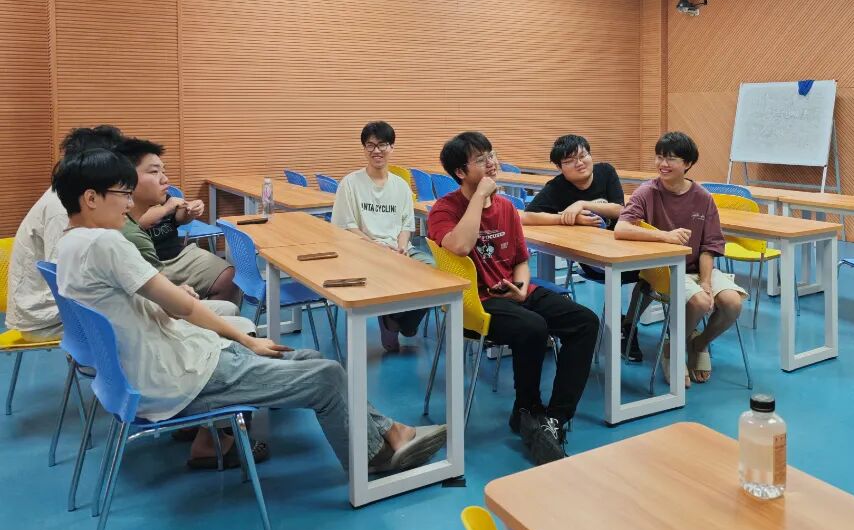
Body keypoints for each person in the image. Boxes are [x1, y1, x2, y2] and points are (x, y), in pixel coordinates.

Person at [53, 148, 447, 476]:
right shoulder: (107, 244)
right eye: (122, 194)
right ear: (91, 198)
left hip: (158, 368)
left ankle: (391, 432)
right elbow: (183, 306)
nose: (128, 204)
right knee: (327, 376)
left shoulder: (70, 244)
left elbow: (151, 301)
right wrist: (245, 339)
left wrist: (201, 317)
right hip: (178, 378)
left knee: (305, 356)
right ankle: (374, 459)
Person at [427, 131, 599, 466]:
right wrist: (479, 196)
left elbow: (521, 258)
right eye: (481, 160)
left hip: (514, 291)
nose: (492, 163)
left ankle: (555, 418)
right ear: (460, 172)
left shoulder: (506, 206)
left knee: (584, 321)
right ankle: (527, 407)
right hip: (477, 300)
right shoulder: (444, 209)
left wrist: (521, 286)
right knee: (533, 327)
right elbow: (460, 246)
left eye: (491, 155)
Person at [614, 131, 746, 387]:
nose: (663, 164)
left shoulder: (703, 198)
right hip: (663, 269)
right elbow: (621, 228)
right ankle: (672, 349)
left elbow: (709, 246)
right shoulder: (647, 191)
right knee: (699, 302)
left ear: (687, 164)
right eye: (660, 157)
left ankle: (698, 343)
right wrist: (665, 236)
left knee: (732, 304)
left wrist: (706, 281)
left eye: (671, 159)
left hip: (697, 268)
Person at [520, 134, 643, 361]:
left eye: (583, 155)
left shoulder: (606, 172)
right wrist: (567, 218)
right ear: (560, 168)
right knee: (634, 275)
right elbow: (527, 217)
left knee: (653, 274)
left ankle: (628, 324)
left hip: (623, 247)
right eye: (569, 161)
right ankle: (623, 327)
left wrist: (582, 204)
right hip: (592, 258)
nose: (579, 163)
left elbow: (620, 209)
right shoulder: (557, 186)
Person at [4, 125, 125, 342]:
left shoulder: (73, 196)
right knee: (138, 317)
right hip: (43, 317)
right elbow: (65, 275)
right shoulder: (62, 207)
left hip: (55, 306)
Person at [332, 121, 434, 352]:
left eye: (382, 145)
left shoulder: (401, 186)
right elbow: (346, 227)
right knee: (389, 271)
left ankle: (396, 320)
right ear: (364, 149)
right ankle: (394, 319)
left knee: (434, 271)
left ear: (391, 148)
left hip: (398, 249)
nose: (376, 150)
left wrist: (401, 247)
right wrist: (375, 246)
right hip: (363, 251)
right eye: (371, 145)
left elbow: (407, 225)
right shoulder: (350, 183)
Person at [116, 137, 241, 305]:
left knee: (228, 277)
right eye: (154, 172)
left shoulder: (160, 197)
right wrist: (166, 208)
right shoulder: (122, 221)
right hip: (154, 261)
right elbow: (137, 223)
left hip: (177, 253)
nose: (165, 179)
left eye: (163, 171)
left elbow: (178, 219)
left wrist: (189, 211)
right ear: (126, 177)